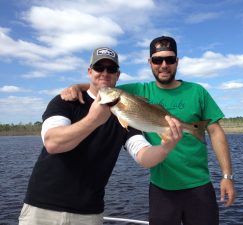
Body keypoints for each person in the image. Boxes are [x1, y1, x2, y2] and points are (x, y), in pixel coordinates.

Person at [61, 36, 236, 225]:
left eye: (169, 60)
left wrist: (227, 176)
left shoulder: (197, 91)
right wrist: (77, 87)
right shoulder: (138, 90)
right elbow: (104, 89)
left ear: (177, 62)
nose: (163, 65)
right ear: (149, 62)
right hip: (161, 189)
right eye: (157, 60)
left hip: (200, 186)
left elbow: (216, 132)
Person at [18, 46, 183, 225]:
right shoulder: (65, 101)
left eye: (111, 69)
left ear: (117, 75)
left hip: (89, 214)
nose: (105, 73)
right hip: (41, 209)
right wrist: (93, 120)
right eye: (99, 68)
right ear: (90, 71)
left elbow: (143, 156)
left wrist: (166, 147)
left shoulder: (124, 115)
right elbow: (52, 143)